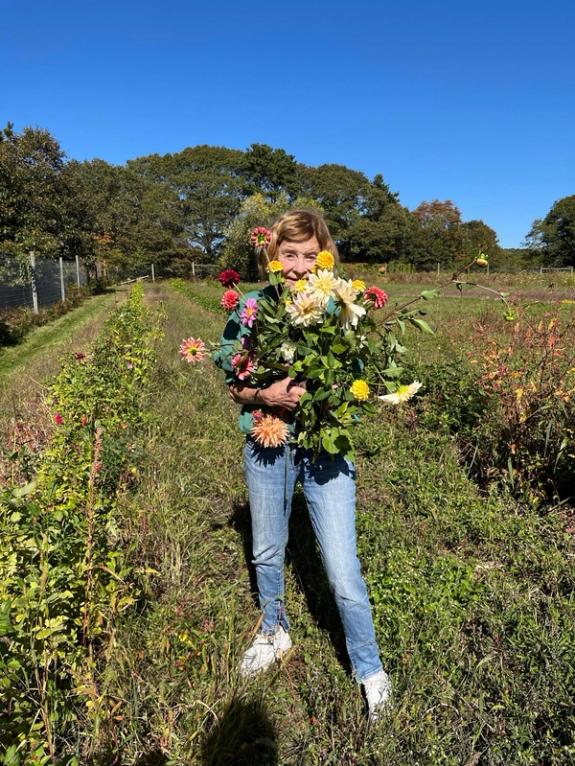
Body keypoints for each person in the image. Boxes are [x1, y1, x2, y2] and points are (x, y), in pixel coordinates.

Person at [214, 210, 391, 722]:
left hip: (324, 444)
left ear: (324, 258)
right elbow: (234, 385)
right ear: (272, 256)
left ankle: (368, 665)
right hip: (268, 441)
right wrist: (264, 392)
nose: (296, 266)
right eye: (288, 254)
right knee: (268, 547)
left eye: (309, 256)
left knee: (341, 566)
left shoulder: (340, 307)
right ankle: (274, 631)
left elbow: (358, 383)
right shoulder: (251, 309)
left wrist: (325, 391)